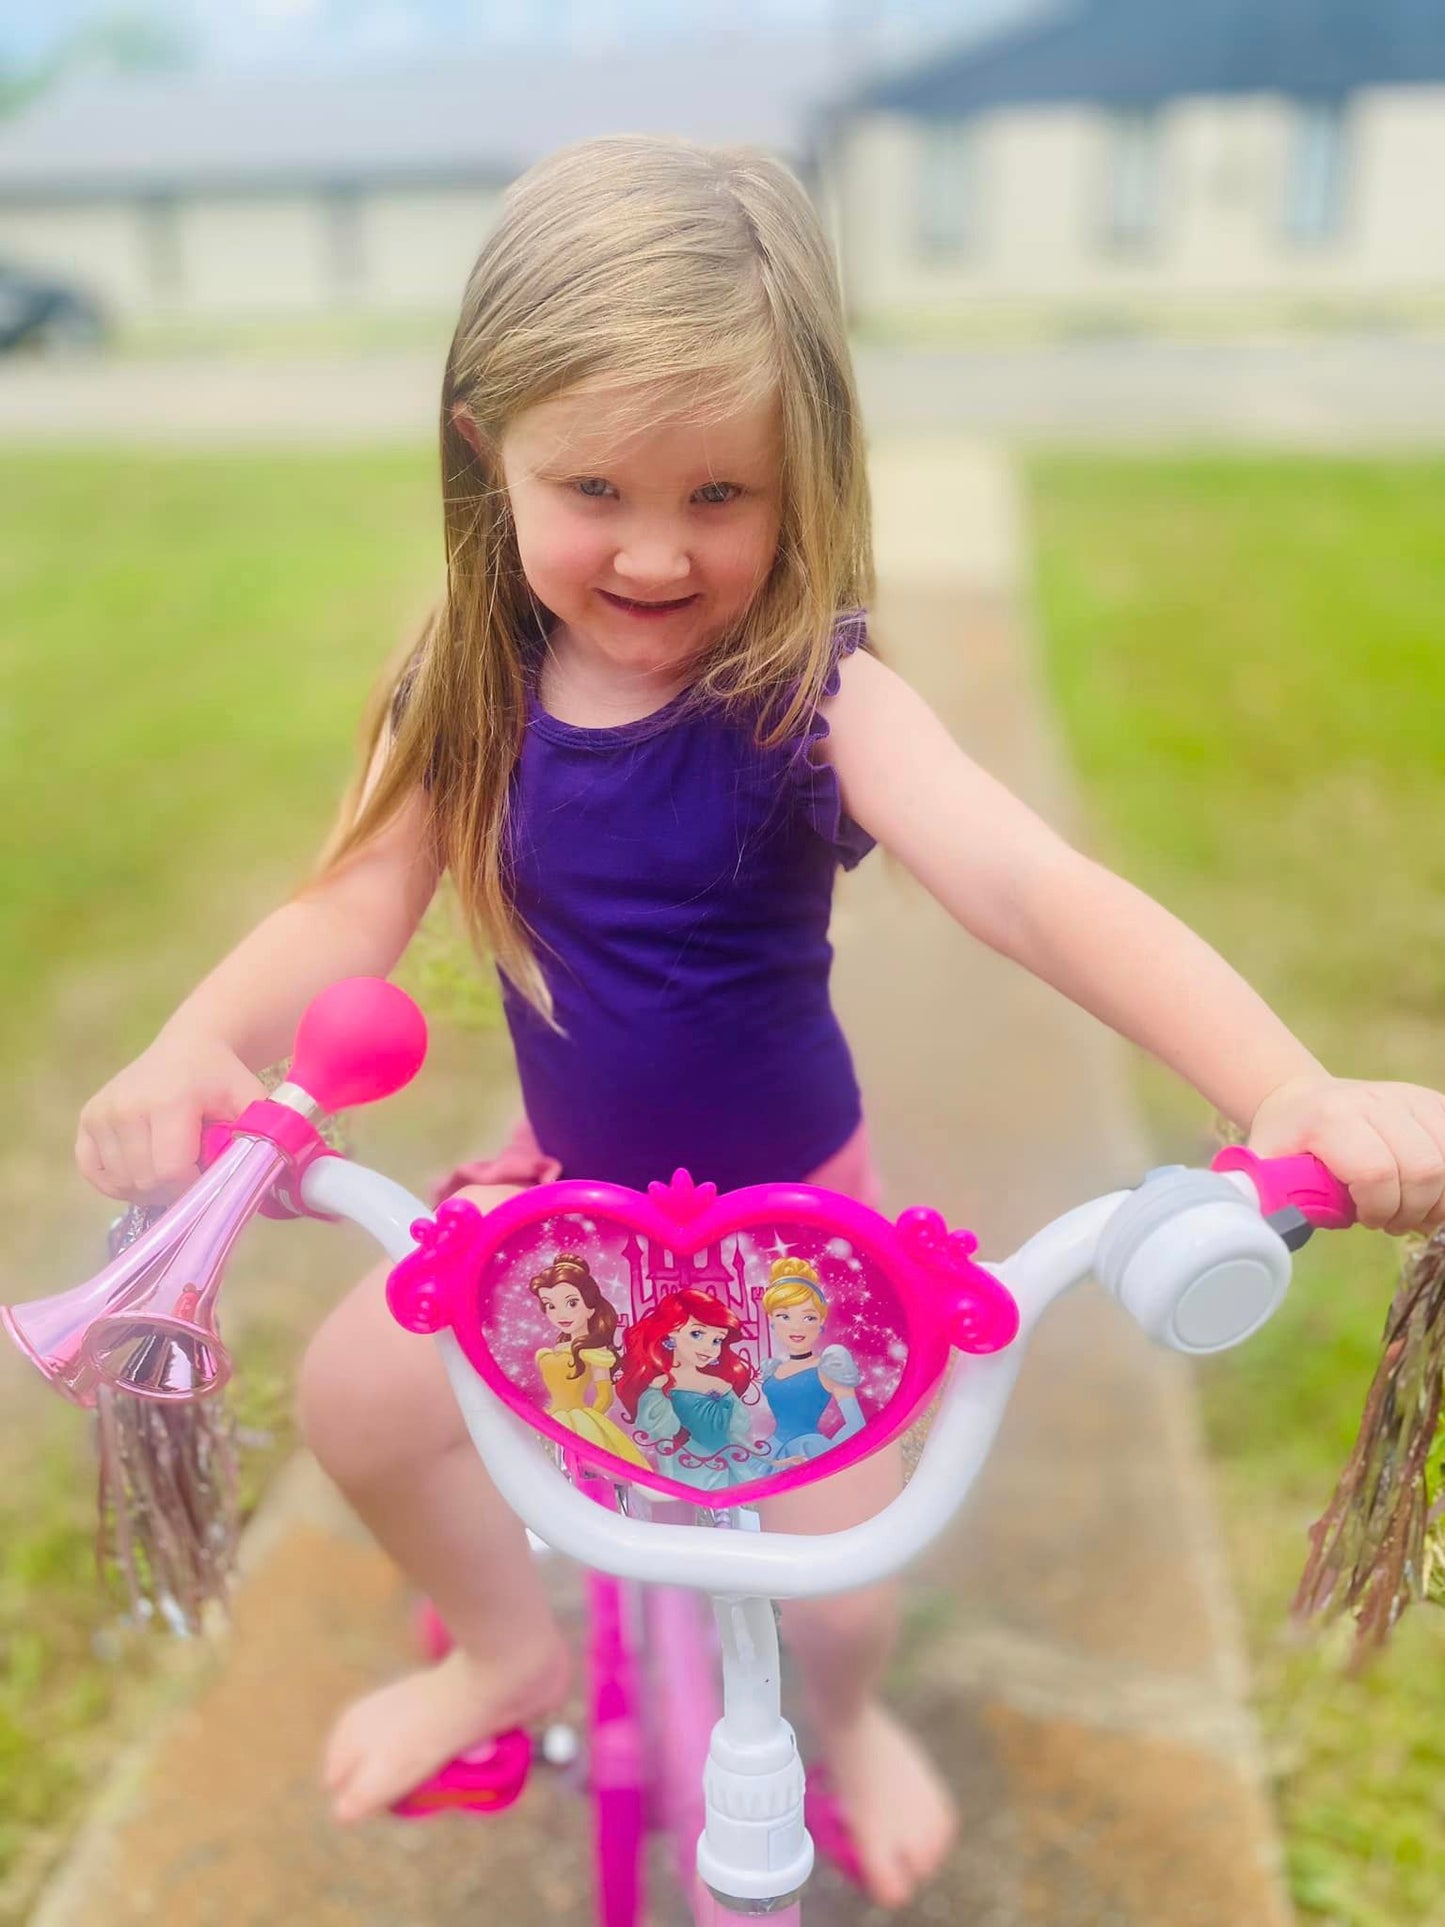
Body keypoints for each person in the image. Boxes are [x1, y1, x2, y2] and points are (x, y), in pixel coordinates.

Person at [73, 134, 1445, 1910]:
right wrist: (200, 1039)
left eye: (722, 495)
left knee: (840, 1582)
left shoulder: (813, 697)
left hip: (799, 1228)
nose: (655, 553)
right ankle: (502, 1650)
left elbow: (1026, 885)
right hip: (564, 1201)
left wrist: (1286, 1082)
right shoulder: (459, 685)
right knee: (355, 1394)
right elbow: (347, 899)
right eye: (598, 490)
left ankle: (851, 1721)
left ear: (810, 474)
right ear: (489, 452)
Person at [614, 1288, 769, 1492]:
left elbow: (736, 1437)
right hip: (688, 1472)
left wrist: (773, 1463)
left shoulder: (722, 1386)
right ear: (671, 1331)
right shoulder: (661, 1386)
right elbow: (663, 1442)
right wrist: (666, 1482)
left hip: (730, 1471)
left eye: (717, 1340)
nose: (708, 1348)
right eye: (697, 1334)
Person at [528, 1251, 649, 1470]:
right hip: (552, 1416)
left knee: (591, 1469)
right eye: (550, 1306)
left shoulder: (594, 1351)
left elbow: (604, 1396)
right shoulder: (551, 1351)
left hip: (581, 1420)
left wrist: (589, 1421)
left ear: (590, 1307)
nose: (560, 1314)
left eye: (571, 1303)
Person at [759, 1259, 866, 1465]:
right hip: (772, 1453)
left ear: (821, 1321)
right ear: (772, 1319)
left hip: (806, 1450)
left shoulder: (829, 1365)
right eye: (784, 1316)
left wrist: (823, 1458)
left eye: (808, 1317)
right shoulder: (773, 1368)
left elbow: (856, 1423)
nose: (796, 1327)